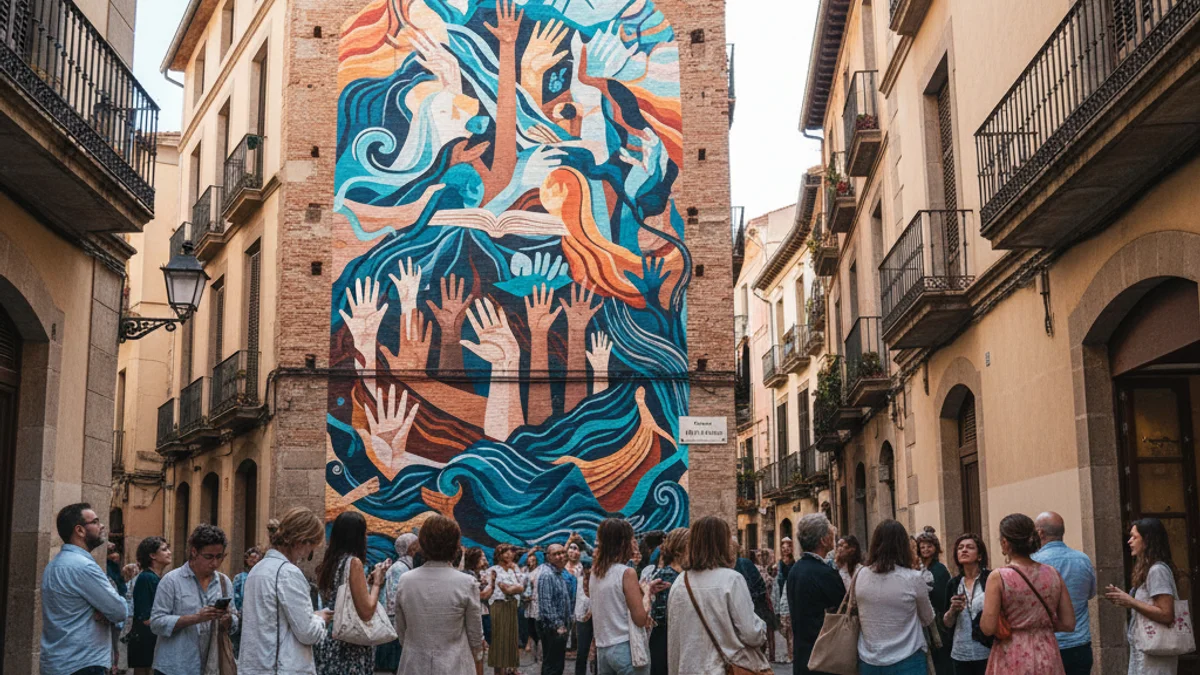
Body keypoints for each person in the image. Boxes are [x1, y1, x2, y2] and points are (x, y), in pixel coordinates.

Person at [666, 516, 768, 674]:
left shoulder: (680, 582)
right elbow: (751, 634)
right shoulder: (731, 580)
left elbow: (674, 639)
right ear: (722, 543)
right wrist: (762, 626)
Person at [239, 507, 334, 675]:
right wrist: (320, 619)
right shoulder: (287, 572)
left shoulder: (257, 570)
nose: (308, 554)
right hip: (279, 668)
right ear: (301, 541)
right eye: (311, 547)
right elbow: (307, 632)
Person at [979, 513, 1075, 675]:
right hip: (1047, 651)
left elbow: (988, 627)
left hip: (1012, 653)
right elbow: (1068, 623)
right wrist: (1039, 626)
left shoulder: (999, 577)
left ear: (1005, 543)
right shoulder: (1052, 573)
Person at [40, 504, 129, 675]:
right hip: (82, 663)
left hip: (59, 662)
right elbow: (119, 611)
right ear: (80, 530)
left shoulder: (54, 565)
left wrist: (105, 611)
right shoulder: (83, 566)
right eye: (95, 522)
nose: (102, 525)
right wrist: (108, 611)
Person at [393, 514, 484, 675]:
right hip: (455, 664)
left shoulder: (406, 580)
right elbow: (475, 634)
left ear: (423, 543)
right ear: (455, 545)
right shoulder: (466, 583)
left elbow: (401, 629)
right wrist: (477, 656)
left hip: (414, 663)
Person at [150, 524, 238, 675]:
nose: (215, 563)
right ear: (194, 552)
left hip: (212, 666)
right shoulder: (172, 581)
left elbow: (235, 621)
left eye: (220, 557)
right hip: (175, 667)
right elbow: (157, 623)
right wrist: (196, 618)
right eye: (209, 557)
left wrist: (229, 620)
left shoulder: (224, 582)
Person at [314, 511, 390, 675]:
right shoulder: (353, 563)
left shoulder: (331, 563)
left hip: (331, 642)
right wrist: (377, 582)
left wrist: (367, 584)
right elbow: (367, 611)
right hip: (349, 647)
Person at [854, 520, 934, 674]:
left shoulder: (860, 574)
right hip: (907, 659)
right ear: (903, 546)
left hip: (868, 660)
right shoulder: (914, 578)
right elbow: (927, 618)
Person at [1103, 517, 1181, 675]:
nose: (1130, 541)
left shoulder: (1157, 570)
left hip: (1156, 654)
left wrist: (1131, 601)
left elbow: (1166, 614)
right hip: (1147, 650)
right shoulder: (1150, 569)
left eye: (1134, 537)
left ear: (1147, 540)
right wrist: (1127, 599)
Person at [1031, 512, 1097, 675]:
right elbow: (1091, 593)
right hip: (1079, 643)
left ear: (1040, 533)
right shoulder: (1082, 559)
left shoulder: (1033, 562)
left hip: (1047, 644)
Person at [786, 513, 846, 675]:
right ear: (823, 540)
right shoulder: (824, 573)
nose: (833, 533)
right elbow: (844, 608)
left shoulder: (795, 570)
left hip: (802, 659)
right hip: (823, 659)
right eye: (830, 531)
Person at [590, 518, 651, 675]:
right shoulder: (626, 573)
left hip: (603, 649)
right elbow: (640, 619)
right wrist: (647, 592)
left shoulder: (595, 572)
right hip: (626, 648)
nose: (634, 542)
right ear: (623, 542)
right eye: (632, 538)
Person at [941, 534, 991, 675]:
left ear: (980, 556)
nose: (964, 550)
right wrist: (952, 611)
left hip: (988, 650)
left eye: (970, 547)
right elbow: (947, 624)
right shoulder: (953, 583)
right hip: (961, 652)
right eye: (960, 548)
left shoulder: (990, 579)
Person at [129, 536, 171, 675]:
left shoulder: (156, 578)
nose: (169, 552)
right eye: (164, 550)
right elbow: (145, 617)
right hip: (146, 641)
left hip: (153, 638)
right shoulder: (146, 578)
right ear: (152, 555)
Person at [648, 528, 687, 675]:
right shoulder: (664, 576)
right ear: (679, 551)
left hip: (680, 636)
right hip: (664, 638)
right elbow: (661, 614)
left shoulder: (687, 574)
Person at [378, 532, 418, 672]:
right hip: (395, 620)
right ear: (410, 548)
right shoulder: (400, 568)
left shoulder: (406, 565)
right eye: (416, 545)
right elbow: (396, 597)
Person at [916, 527, 952, 675]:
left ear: (935, 548)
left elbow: (942, 595)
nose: (925, 550)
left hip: (936, 618)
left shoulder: (940, 569)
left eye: (929, 546)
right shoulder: (918, 568)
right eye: (922, 547)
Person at [488, 543, 528, 675]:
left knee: (512, 639)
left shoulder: (513, 570)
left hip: (512, 606)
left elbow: (522, 586)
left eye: (511, 551)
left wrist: (516, 570)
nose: (509, 554)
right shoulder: (494, 570)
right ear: (498, 555)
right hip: (499, 606)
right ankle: (499, 671)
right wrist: (515, 588)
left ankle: (512, 668)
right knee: (500, 641)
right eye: (505, 552)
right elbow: (506, 589)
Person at [536, 544, 574, 675]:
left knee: (557, 664)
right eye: (556, 554)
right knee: (552, 666)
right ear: (548, 557)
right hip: (553, 628)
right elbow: (546, 603)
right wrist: (558, 625)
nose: (561, 556)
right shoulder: (547, 575)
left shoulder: (558, 573)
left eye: (563, 552)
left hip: (561, 627)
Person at [230, 545, 262, 657]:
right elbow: (235, 595)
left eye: (255, 558)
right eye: (250, 558)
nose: (253, 560)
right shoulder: (240, 577)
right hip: (242, 616)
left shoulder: (262, 577)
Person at [777, 537, 797, 664]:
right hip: (782, 592)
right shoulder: (780, 563)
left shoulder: (794, 562)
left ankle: (792, 653)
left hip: (791, 592)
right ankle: (790, 652)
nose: (785, 550)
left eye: (787, 547)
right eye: (783, 548)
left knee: (792, 627)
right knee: (785, 625)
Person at [575, 563, 595, 675]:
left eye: (590, 568)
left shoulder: (599, 581)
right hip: (582, 620)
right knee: (582, 650)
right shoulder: (578, 581)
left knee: (598, 650)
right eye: (586, 568)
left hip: (598, 619)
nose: (588, 570)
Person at [524, 548, 544, 661]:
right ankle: (534, 653)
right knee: (531, 629)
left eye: (533, 559)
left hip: (537, 603)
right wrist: (531, 551)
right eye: (529, 559)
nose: (531, 561)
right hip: (528, 604)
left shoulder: (539, 570)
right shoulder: (525, 570)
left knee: (538, 629)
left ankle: (540, 654)